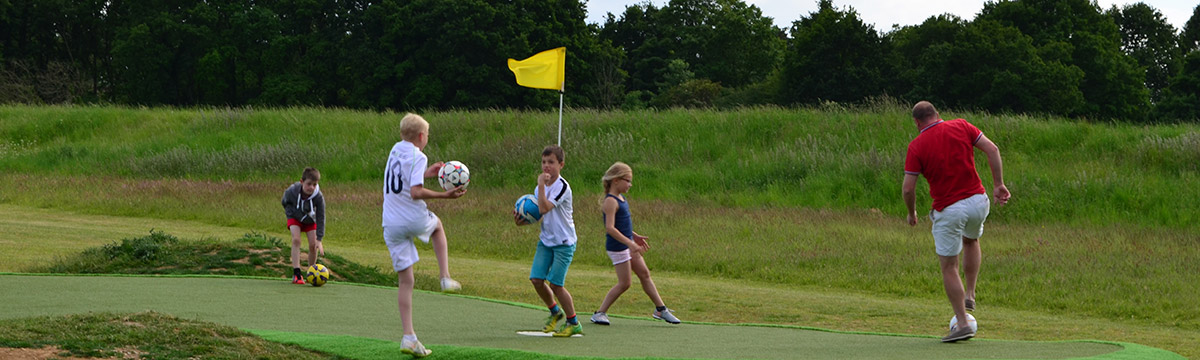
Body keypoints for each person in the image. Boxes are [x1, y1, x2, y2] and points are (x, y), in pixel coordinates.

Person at [902, 101, 1010, 343]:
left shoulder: (916, 145)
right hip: (978, 202)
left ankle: (962, 324)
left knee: (949, 266)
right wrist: (998, 184)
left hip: (949, 209)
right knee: (971, 240)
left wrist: (912, 213)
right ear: (938, 114)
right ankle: (970, 293)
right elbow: (992, 149)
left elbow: (909, 189)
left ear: (917, 122)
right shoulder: (961, 125)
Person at [382, 113, 467, 357]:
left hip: (390, 223)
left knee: (406, 282)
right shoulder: (418, 154)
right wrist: (445, 196)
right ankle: (445, 277)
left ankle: (409, 337)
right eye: (427, 135)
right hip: (411, 216)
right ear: (421, 136)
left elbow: (401, 179)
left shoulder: (395, 150)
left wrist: (427, 173)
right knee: (438, 226)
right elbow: (416, 192)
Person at [590, 162, 681, 326]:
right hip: (618, 247)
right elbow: (610, 228)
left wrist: (634, 237)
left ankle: (661, 309)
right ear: (616, 180)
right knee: (625, 283)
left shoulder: (621, 198)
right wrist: (629, 244)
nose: (630, 185)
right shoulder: (610, 201)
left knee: (645, 274)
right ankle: (599, 313)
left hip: (627, 244)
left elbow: (622, 225)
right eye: (628, 180)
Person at [513, 145, 582, 337]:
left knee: (556, 285)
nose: (546, 166)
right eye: (544, 162)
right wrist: (523, 221)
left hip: (563, 243)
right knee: (536, 280)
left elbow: (544, 207)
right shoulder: (539, 187)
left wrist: (541, 185)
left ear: (561, 164)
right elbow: (539, 215)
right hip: (546, 241)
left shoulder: (562, 187)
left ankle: (574, 322)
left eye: (551, 162)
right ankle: (555, 312)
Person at [281, 167, 325, 285]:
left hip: (310, 220)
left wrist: (319, 239)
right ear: (302, 182)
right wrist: (292, 214)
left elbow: (321, 217)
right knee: (296, 239)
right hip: (295, 217)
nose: (311, 187)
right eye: (309, 184)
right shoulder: (292, 191)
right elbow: (284, 202)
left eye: (314, 184)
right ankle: (297, 273)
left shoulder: (318, 197)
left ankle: (312, 273)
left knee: (312, 245)